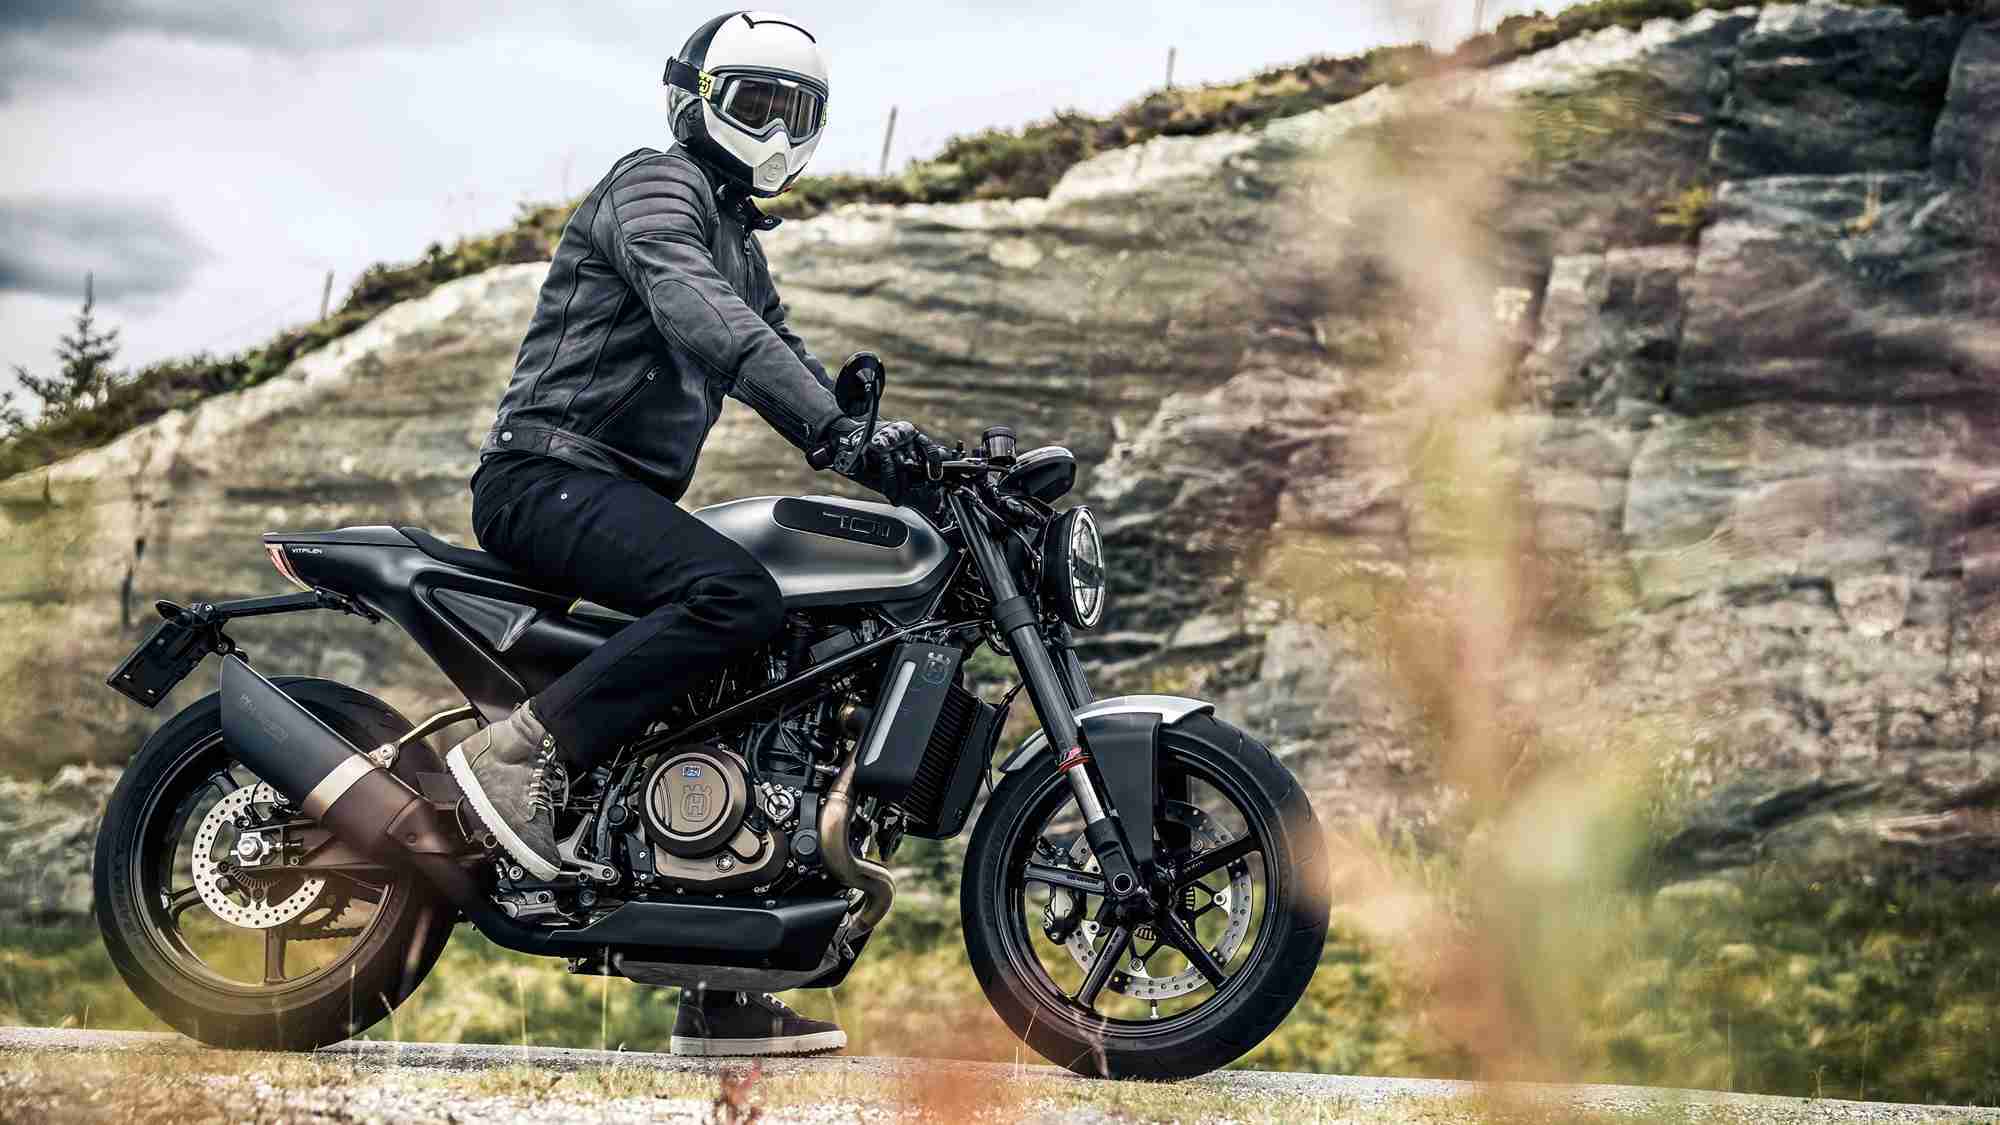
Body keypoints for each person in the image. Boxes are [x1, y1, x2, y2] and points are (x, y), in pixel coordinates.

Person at [445, 9, 921, 1058]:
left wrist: (890, 450)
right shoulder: (654, 188)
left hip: (614, 497)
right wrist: (830, 432)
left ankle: (720, 986)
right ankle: (520, 753)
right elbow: (704, 313)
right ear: (693, 102)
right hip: (546, 477)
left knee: (775, 654)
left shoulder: (738, 242)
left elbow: (776, 345)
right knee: (735, 595)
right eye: (756, 103)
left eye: (795, 111)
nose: (776, 131)